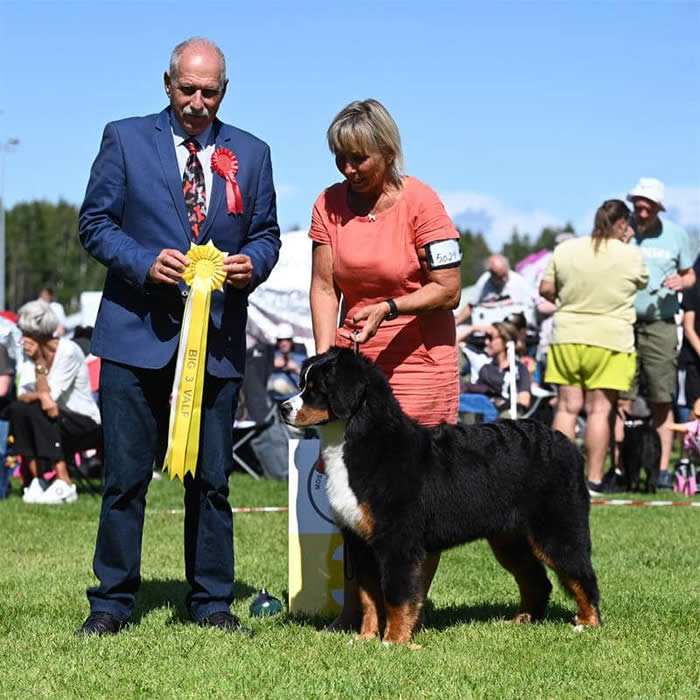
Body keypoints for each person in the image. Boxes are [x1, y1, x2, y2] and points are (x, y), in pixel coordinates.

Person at [76, 38, 280, 636]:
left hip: (213, 340)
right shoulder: (124, 137)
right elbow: (94, 223)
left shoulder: (254, 152)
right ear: (167, 83)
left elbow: (266, 234)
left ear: (225, 90)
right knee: (124, 479)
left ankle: (212, 600)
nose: (197, 102)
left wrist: (252, 264)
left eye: (209, 91)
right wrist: (141, 262)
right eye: (186, 89)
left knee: (212, 480)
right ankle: (111, 602)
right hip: (133, 334)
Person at [309, 98, 461, 630]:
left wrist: (391, 306)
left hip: (421, 358)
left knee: (416, 495)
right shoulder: (328, 204)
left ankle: (406, 610)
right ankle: (357, 609)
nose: (348, 170)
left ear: (388, 153)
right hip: (357, 369)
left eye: (359, 159)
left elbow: (449, 290)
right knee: (350, 490)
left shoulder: (423, 202)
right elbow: (325, 288)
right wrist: (327, 364)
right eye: (340, 158)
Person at [540, 199, 649, 496]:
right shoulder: (630, 256)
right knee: (600, 410)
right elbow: (641, 283)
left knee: (566, 407)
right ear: (623, 225)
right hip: (610, 338)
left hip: (568, 335)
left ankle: (559, 482)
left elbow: (546, 289)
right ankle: (594, 481)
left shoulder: (566, 249)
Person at [615, 178, 695, 490]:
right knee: (621, 397)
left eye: (648, 207)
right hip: (622, 322)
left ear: (659, 208)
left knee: (662, 397)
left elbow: (690, 276)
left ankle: (661, 469)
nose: (642, 211)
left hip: (660, 324)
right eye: (638, 206)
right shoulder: (623, 232)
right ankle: (622, 468)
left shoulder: (675, 235)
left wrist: (681, 282)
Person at [8, 301, 100, 505]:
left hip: (84, 421)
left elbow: (50, 403)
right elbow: (22, 394)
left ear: (38, 334)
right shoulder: (28, 354)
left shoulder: (68, 351)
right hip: (54, 419)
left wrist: (39, 364)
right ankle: (36, 480)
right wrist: (39, 394)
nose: (22, 339)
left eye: (26, 333)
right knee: (18, 409)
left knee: (36, 410)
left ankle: (64, 481)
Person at [460, 321, 532, 418]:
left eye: (490, 338)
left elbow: (523, 401)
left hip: (502, 415)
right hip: (477, 410)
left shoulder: (519, 369)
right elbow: (453, 342)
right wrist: (473, 328)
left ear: (506, 341)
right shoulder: (481, 359)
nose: (486, 342)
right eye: (486, 338)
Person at [454, 254, 538, 327]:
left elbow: (536, 301)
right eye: (500, 276)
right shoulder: (484, 282)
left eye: (505, 274)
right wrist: (456, 322)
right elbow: (470, 305)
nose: (504, 279)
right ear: (491, 273)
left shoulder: (518, 280)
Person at [267, 322, 305, 396]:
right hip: (272, 397)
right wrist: (270, 365)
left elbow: (308, 378)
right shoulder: (270, 356)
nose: (283, 343)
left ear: (292, 341)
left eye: (287, 339)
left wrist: (296, 369)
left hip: (294, 396)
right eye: (280, 340)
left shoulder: (301, 357)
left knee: (279, 384)